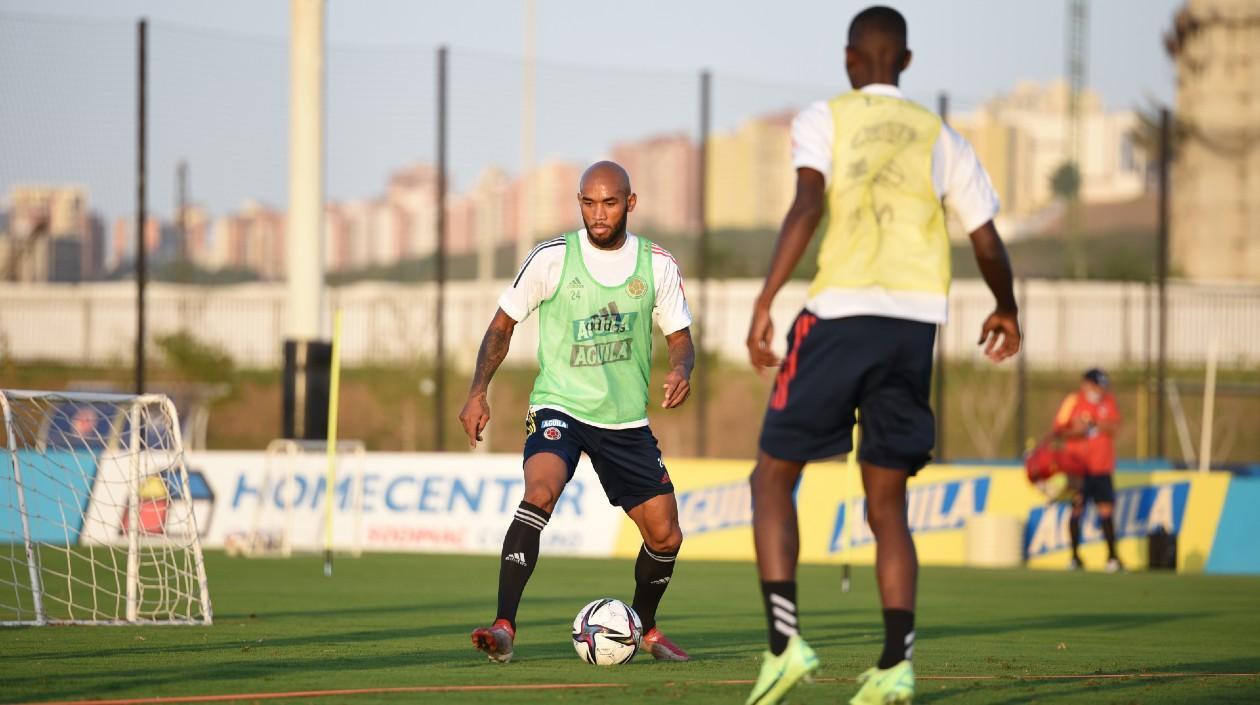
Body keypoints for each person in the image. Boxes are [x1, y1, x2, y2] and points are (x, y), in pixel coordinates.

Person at [742, 7, 1021, 705]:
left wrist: (766, 298)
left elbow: (808, 205)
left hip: (840, 313)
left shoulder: (825, 118)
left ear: (848, 60)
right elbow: (985, 238)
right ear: (907, 60)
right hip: (914, 326)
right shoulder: (941, 136)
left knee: (772, 476)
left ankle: (784, 646)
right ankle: (897, 661)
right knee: (887, 502)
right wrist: (1007, 306)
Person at [460, 161, 694, 664]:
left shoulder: (656, 265)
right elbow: (502, 325)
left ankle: (645, 629)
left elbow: (680, 339)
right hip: (559, 406)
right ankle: (504, 627)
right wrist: (479, 390)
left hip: (625, 420)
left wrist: (681, 370)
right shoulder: (551, 258)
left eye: (609, 202)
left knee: (665, 533)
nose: (598, 213)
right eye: (588, 202)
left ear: (630, 203)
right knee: (540, 491)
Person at [1053, 368, 1123, 572]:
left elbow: (1115, 427)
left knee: (1106, 510)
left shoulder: (1108, 402)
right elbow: (1059, 430)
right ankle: (1074, 557)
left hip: (1101, 467)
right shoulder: (1073, 402)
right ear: (1086, 384)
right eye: (1097, 386)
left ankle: (1112, 558)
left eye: (1103, 387)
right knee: (1076, 509)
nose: (1100, 391)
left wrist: (1096, 422)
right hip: (1077, 468)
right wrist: (1078, 430)